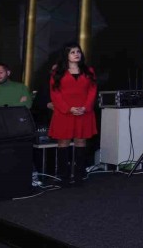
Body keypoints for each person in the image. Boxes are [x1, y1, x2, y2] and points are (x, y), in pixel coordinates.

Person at [48, 43, 97, 186]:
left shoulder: (89, 71)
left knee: (81, 141)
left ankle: (79, 175)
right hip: (64, 112)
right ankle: (63, 176)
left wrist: (85, 107)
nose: (76, 54)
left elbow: (92, 91)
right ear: (66, 55)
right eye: (72, 52)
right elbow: (55, 93)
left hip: (83, 112)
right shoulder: (57, 71)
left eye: (78, 51)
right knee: (63, 142)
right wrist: (68, 109)